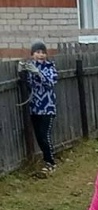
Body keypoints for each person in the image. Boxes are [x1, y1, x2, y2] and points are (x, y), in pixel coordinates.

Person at [23, 41, 58, 175]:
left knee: (44, 135)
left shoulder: (50, 67)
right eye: (37, 52)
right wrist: (23, 72)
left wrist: (38, 73)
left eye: (43, 52)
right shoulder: (29, 67)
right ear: (32, 54)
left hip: (47, 107)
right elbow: (27, 84)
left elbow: (50, 83)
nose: (40, 55)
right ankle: (46, 160)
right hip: (34, 108)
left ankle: (51, 162)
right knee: (38, 136)